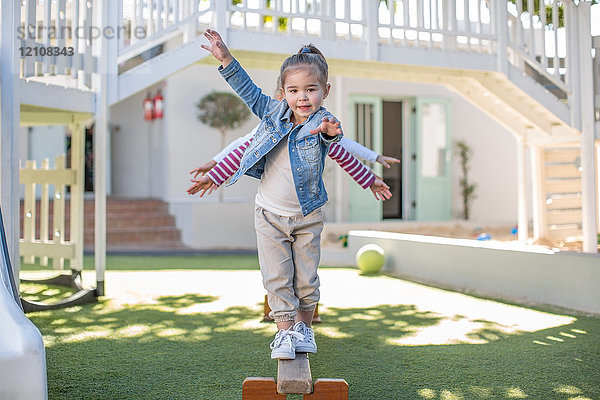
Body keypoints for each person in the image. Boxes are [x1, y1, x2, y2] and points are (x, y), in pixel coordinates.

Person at [188, 29, 392, 360]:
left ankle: (305, 330)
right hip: (269, 214)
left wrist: (369, 179)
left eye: (311, 90)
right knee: (277, 278)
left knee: (307, 281)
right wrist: (225, 59)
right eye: (294, 90)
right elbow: (246, 116)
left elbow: (342, 153)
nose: (303, 97)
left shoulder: (325, 124)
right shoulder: (272, 113)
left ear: (325, 91)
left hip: (307, 217)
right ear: (283, 93)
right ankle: (284, 334)